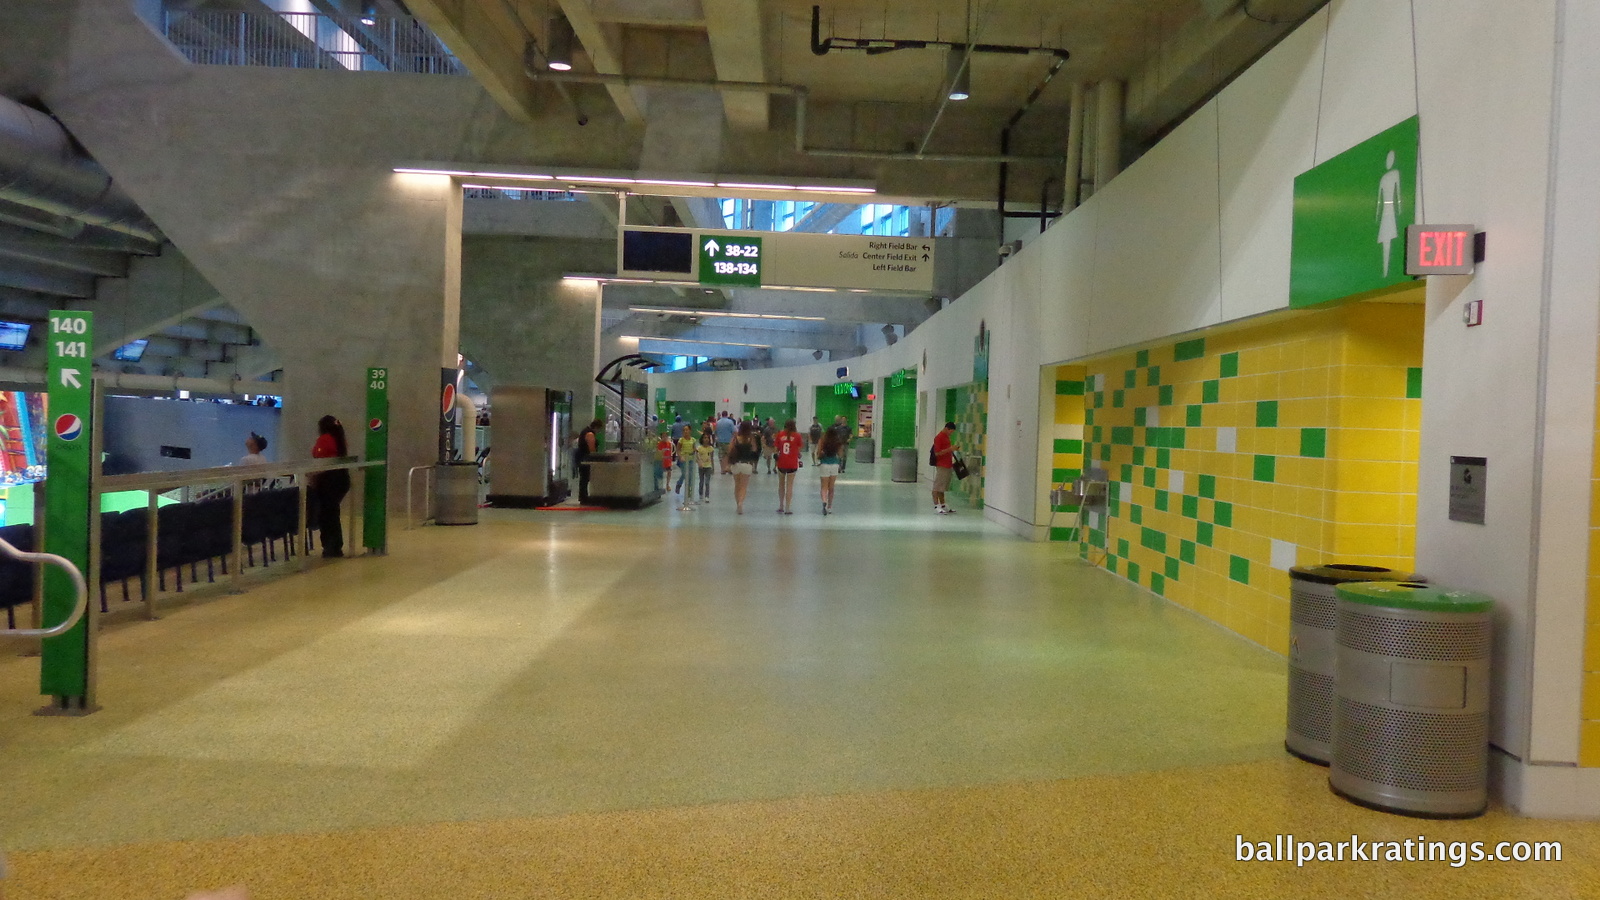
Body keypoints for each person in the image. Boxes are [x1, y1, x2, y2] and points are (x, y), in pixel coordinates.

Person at [310, 415, 350, 558]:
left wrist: (312, 476)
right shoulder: (340, 439)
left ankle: (329, 546)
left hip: (329, 481)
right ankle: (336, 546)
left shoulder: (324, 439)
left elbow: (321, 463)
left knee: (326, 515)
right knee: (333, 513)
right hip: (342, 479)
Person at [727, 420, 761, 514]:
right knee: (744, 486)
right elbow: (754, 449)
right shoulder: (751, 438)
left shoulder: (736, 437)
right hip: (747, 464)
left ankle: (737, 502)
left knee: (737, 485)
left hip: (736, 464)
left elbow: (729, 449)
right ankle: (741, 503)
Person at [773, 419, 803, 515]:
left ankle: (781, 505)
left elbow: (776, 448)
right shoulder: (797, 436)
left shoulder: (780, 434)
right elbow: (798, 449)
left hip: (782, 462)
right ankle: (788, 508)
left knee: (781, 484)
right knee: (790, 485)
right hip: (792, 463)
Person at [932, 421, 959, 515]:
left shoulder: (946, 437)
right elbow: (937, 453)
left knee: (942, 487)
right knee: (937, 486)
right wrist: (950, 449)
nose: (951, 433)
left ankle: (943, 504)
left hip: (948, 464)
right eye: (951, 431)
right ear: (947, 429)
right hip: (942, 465)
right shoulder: (939, 437)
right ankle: (937, 505)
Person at [816, 426, 844, 515]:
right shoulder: (837, 442)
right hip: (834, 465)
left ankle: (824, 501)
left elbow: (818, 453)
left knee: (824, 487)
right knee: (831, 488)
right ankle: (830, 507)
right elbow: (840, 454)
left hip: (824, 464)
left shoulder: (822, 440)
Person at [575, 418, 601, 503]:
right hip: (585, 457)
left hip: (581, 456)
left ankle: (583, 496)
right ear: (596, 427)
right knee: (585, 477)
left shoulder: (585, 431)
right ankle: (583, 497)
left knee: (584, 477)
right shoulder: (590, 434)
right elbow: (591, 448)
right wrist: (595, 456)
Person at [675, 427, 697, 509]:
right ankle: (679, 484)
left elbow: (694, 449)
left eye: (687, 430)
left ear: (690, 431)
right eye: (684, 430)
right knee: (684, 474)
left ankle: (689, 493)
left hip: (691, 460)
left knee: (690, 476)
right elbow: (678, 449)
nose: (685, 431)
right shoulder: (681, 440)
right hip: (684, 460)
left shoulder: (693, 440)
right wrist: (680, 456)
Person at [695, 432, 715, 502]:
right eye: (705, 438)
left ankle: (707, 496)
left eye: (707, 438)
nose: (706, 439)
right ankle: (700, 493)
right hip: (701, 467)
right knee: (701, 481)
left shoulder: (711, 448)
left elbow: (712, 458)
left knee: (707, 482)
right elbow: (697, 457)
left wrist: (713, 467)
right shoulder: (699, 448)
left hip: (708, 466)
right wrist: (699, 462)